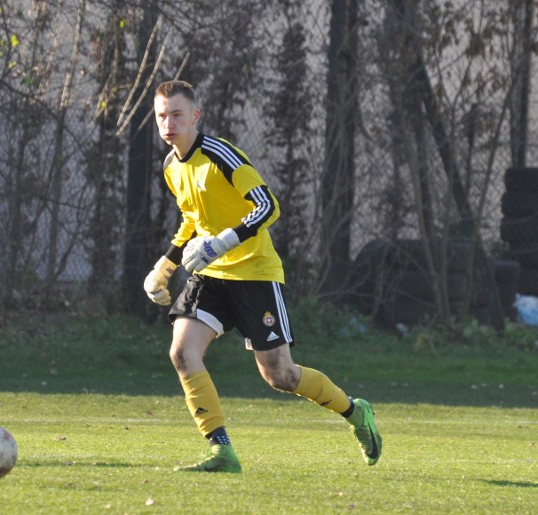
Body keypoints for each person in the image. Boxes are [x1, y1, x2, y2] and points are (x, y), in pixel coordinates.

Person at [143, 80, 381, 472]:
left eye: (176, 115)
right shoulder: (171, 167)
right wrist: (165, 266)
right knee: (182, 353)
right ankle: (222, 451)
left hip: (254, 272)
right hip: (210, 276)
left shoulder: (219, 154)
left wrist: (222, 242)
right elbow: (191, 218)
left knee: (281, 375)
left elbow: (268, 206)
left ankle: (355, 412)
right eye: (161, 117)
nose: (168, 124)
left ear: (195, 116)